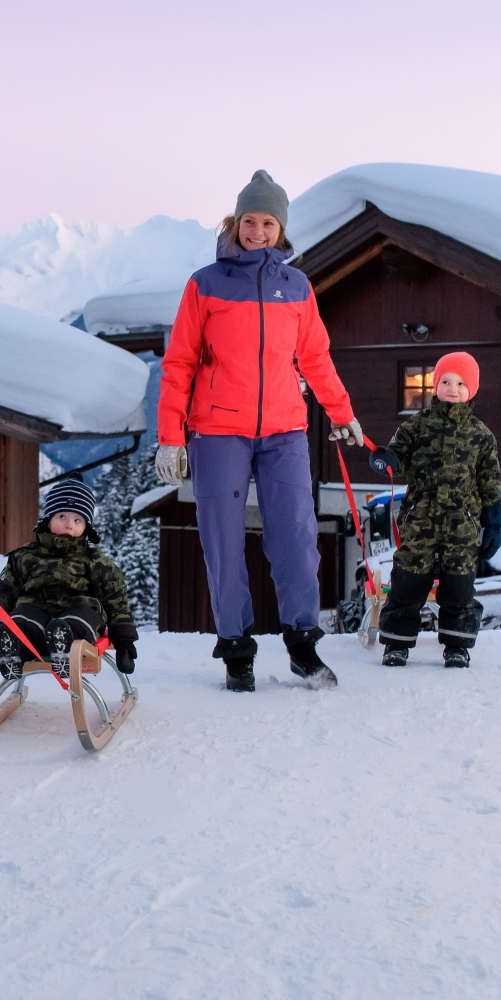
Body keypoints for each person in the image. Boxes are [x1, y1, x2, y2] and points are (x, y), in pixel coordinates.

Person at [153, 171, 363, 693]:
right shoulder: (206, 283)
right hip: (217, 431)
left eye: (269, 222)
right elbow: (178, 362)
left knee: (296, 538)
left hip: (285, 431)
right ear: (236, 221)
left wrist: (342, 413)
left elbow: (314, 357)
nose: (258, 230)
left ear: (281, 228)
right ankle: (237, 651)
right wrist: (170, 436)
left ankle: (303, 647)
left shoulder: (296, 286)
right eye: (250, 220)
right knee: (222, 542)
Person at [367, 351, 501, 669]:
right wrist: (385, 459)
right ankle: (397, 644)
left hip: (462, 523)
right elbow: (396, 455)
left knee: (459, 584)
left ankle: (457, 645)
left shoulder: (481, 435)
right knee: (409, 580)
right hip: (420, 518)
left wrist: (494, 519)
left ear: (472, 389)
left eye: (460, 382)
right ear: (435, 386)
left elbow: (490, 480)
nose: (452, 388)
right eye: (445, 381)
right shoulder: (416, 426)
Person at [0, 478, 138, 678]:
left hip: (80, 608)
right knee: (21, 618)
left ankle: (65, 642)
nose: (68, 525)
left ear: (86, 527)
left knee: (81, 616)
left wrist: (124, 642)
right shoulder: (24, 557)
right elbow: (2, 597)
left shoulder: (95, 561)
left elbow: (116, 599)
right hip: (36, 608)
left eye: (77, 520)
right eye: (62, 516)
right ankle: (14, 645)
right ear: (48, 519)